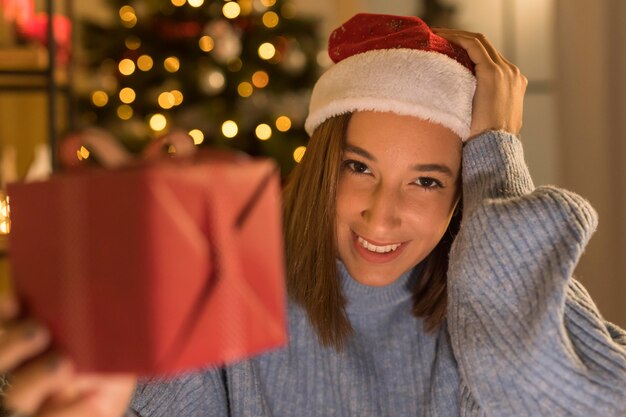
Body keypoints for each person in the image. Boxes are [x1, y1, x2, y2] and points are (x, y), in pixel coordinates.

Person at [1, 12, 625, 417]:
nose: (381, 217)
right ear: (322, 164)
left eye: (427, 181)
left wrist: (496, 159)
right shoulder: (229, 295)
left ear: (467, 193)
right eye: (358, 168)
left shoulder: (503, 310)